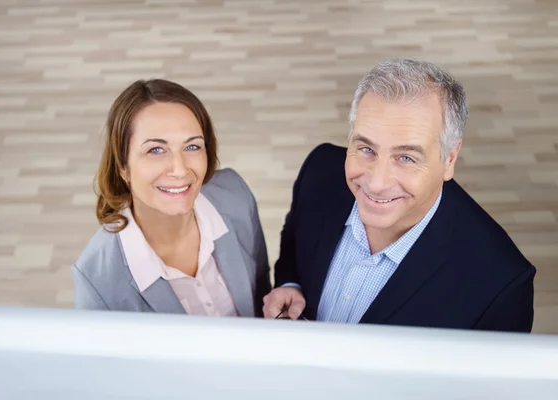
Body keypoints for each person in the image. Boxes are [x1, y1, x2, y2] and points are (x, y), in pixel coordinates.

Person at [263, 58, 536, 332]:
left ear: (449, 159)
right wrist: (290, 285)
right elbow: (294, 242)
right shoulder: (318, 171)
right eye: (367, 149)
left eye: (405, 157)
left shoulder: (501, 284)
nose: (376, 183)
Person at [72, 79, 271, 318]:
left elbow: (262, 295)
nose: (179, 169)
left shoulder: (235, 196)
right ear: (123, 166)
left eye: (192, 147)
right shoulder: (96, 280)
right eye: (156, 150)